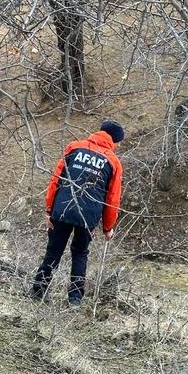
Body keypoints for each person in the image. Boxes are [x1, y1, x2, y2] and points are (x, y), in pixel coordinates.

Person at [31, 120, 124, 307]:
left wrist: (49, 210)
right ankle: (75, 299)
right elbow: (112, 199)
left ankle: (38, 292)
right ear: (114, 140)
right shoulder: (113, 162)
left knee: (53, 251)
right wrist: (108, 227)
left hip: (63, 208)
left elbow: (56, 181)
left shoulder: (74, 147)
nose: (118, 147)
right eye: (118, 143)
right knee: (80, 253)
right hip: (88, 216)